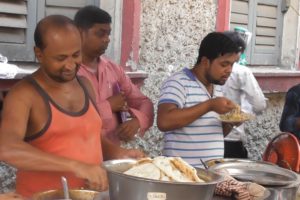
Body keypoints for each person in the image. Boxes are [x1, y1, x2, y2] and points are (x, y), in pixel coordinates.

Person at [0, 15, 143, 198]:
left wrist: (119, 154)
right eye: (60, 58)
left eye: (76, 55)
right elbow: (7, 148)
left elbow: (90, 136)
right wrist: (76, 166)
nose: (70, 65)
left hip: (88, 195)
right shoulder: (24, 94)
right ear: (39, 54)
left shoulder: (85, 84)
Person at [157, 32, 240, 168]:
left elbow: (216, 133)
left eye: (232, 64)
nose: (229, 70)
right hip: (182, 176)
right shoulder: (178, 83)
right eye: (224, 64)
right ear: (205, 61)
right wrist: (209, 105)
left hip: (212, 175)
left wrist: (231, 122)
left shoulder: (217, 88)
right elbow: (164, 121)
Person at [74, 6, 154, 144]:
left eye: (108, 34)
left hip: (113, 155)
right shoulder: (69, 72)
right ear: (80, 33)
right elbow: (70, 118)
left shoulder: (113, 69)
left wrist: (137, 122)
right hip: (81, 154)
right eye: (100, 34)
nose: (107, 39)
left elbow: (143, 102)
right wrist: (108, 106)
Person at [222, 31, 266, 158]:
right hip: (232, 138)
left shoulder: (208, 70)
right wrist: (244, 114)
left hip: (209, 139)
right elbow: (259, 105)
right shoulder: (242, 72)